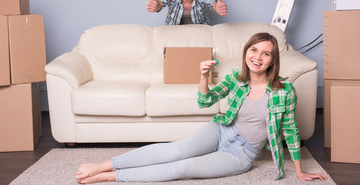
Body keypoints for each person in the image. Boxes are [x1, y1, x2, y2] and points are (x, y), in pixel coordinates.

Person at [75, 33, 327, 184]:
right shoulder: (236, 80)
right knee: (176, 150)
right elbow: (205, 102)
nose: (258, 57)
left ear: (273, 60)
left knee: (182, 169)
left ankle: (112, 177)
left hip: (242, 154)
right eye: (254, 50)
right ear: (246, 52)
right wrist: (204, 77)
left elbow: (291, 131)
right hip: (221, 130)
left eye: (266, 54)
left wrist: (299, 171)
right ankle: (105, 164)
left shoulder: (284, 91)